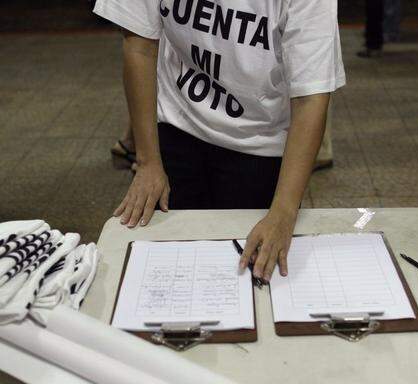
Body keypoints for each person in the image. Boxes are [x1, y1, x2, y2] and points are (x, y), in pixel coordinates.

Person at [93, 0, 345, 281]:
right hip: (178, 128)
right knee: (165, 271)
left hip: (259, 145)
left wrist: (284, 211)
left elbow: (311, 98)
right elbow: (139, 45)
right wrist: (148, 161)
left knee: (253, 279)